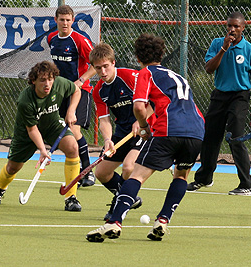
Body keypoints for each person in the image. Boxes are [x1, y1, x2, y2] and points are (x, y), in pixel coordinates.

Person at [86, 33, 205, 242]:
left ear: (138, 59)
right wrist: (108, 140)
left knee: (135, 175)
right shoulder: (178, 76)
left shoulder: (142, 73)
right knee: (181, 176)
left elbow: (140, 106)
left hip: (168, 129)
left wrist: (142, 125)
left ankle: (114, 222)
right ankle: (162, 220)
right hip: (196, 132)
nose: (102, 71)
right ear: (162, 54)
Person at [0, 61, 84, 211]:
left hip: (52, 124)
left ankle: (70, 198)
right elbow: (32, 129)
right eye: (42, 80)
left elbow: (76, 91)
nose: (47, 84)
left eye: (50, 79)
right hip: (27, 132)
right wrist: (42, 150)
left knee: (72, 147)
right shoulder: (25, 100)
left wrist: (71, 111)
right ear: (33, 81)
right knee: (13, 167)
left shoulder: (59, 84)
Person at [187, 11, 251, 195]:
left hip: (240, 97)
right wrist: (223, 49)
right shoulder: (217, 44)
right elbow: (208, 69)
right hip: (219, 95)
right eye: (229, 25)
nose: (232, 29)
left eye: (236, 26)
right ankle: (204, 178)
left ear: (243, 28)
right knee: (210, 137)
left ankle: (247, 184)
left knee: (235, 138)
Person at [90, 42, 146, 221]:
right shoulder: (98, 91)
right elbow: (104, 119)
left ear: (113, 63)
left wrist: (141, 121)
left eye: (106, 66)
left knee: (129, 167)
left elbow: (152, 102)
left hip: (145, 130)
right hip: (122, 132)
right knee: (101, 173)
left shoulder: (130, 77)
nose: (103, 72)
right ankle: (129, 197)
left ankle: (119, 203)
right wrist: (107, 140)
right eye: (98, 69)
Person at [47, 5, 97, 187]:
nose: (65, 23)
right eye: (62, 20)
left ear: (73, 21)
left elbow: (95, 64)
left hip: (80, 91)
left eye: (68, 20)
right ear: (56, 21)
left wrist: (81, 80)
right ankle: (76, 169)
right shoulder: (51, 38)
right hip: (61, 91)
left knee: (74, 129)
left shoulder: (80, 40)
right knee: (61, 129)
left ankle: (88, 171)